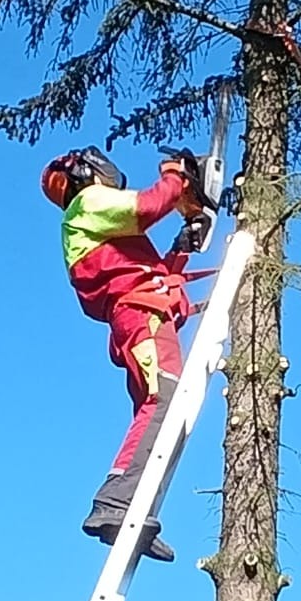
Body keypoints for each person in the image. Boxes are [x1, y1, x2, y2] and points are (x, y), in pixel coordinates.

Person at [40, 145, 208, 561]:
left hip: (142, 316)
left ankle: (136, 506)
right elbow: (150, 206)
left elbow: (145, 273)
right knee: (166, 403)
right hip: (141, 317)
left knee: (168, 416)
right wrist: (176, 176)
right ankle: (116, 502)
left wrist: (181, 246)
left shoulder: (103, 231)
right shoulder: (87, 204)